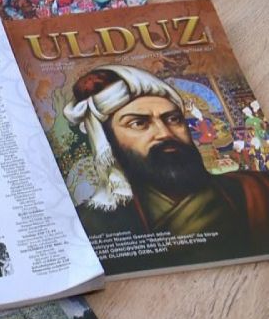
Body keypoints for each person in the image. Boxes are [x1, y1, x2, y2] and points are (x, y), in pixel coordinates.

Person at [64, 65, 269, 262]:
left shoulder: (256, 190)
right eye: (138, 123)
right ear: (109, 141)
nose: (165, 134)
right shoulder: (92, 223)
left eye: (173, 119)